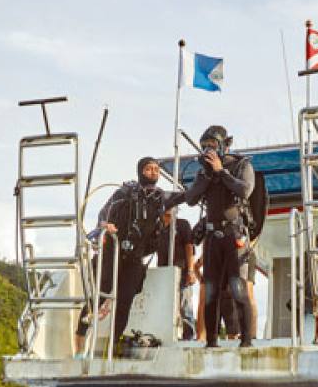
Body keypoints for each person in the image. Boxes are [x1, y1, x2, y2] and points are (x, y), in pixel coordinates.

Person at [96, 156, 185, 341]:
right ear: (140, 172)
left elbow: (185, 196)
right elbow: (103, 213)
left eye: (156, 169)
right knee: (99, 295)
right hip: (114, 253)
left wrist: (208, 177)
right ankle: (81, 341)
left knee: (125, 302)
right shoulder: (125, 192)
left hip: (135, 259)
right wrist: (106, 225)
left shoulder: (160, 197)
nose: (153, 172)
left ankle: (113, 341)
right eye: (148, 169)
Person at [185, 125, 255, 348]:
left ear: (225, 145)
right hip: (212, 237)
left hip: (234, 235)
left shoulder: (241, 165)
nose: (208, 149)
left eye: (213, 145)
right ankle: (211, 343)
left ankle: (246, 342)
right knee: (211, 291)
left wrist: (221, 171)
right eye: (204, 146)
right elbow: (190, 198)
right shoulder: (203, 171)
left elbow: (245, 190)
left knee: (237, 288)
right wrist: (208, 174)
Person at [157, 209, 197, 340]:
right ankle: (166, 336)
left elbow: (189, 247)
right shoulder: (158, 228)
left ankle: (189, 337)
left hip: (182, 272)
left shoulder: (182, 224)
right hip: (164, 274)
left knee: (185, 307)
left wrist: (191, 271)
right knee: (165, 306)